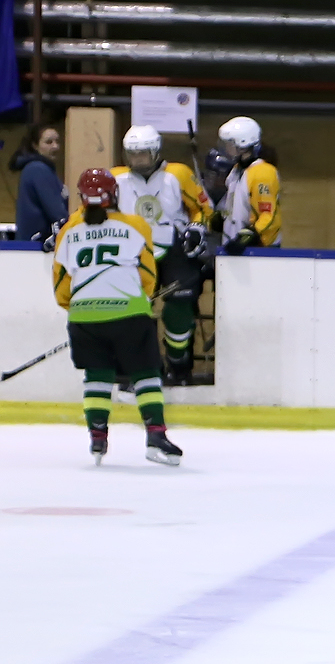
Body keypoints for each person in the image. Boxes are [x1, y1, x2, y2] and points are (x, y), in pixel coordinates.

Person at [52, 168, 183, 466]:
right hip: (129, 314)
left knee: (97, 374)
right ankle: (156, 436)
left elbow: (60, 283)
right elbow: (148, 275)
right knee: (146, 372)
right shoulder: (135, 225)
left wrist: (79, 308)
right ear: (115, 195)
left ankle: (97, 438)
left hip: (83, 317)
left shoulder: (69, 229)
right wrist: (138, 300)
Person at [112, 125, 214, 385]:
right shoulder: (116, 177)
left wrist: (198, 228)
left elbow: (203, 208)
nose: (137, 160)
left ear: (155, 152)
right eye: (132, 154)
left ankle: (179, 364)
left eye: (143, 154)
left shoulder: (178, 174)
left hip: (175, 251)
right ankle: (143, 368)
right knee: (132, 314)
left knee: (178, 310)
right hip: (132, 253)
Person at [216, 116, 281, 254]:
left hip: (258, 250)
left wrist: (251, 235)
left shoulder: (263, 173)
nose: (226, 149)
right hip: (233, 246)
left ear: (243, 146)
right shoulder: (237, 170)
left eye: (230, 144)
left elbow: (269, 215)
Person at [9, 123, 68, 246]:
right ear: (35, 146)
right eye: (49, 142)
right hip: (37, 247)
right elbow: (58, 214)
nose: (55, 146)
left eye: (57, 141)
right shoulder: (38, 170)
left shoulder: (40, 169)